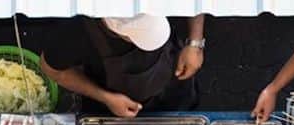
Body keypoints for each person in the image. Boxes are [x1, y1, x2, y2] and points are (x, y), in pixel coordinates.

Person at [40, 14, 205, 116]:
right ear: (116, 29)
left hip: (174, 77)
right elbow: (51, 69)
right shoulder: (77, 30)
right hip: (115, 105)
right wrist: (106, 98)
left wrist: (195, 42)